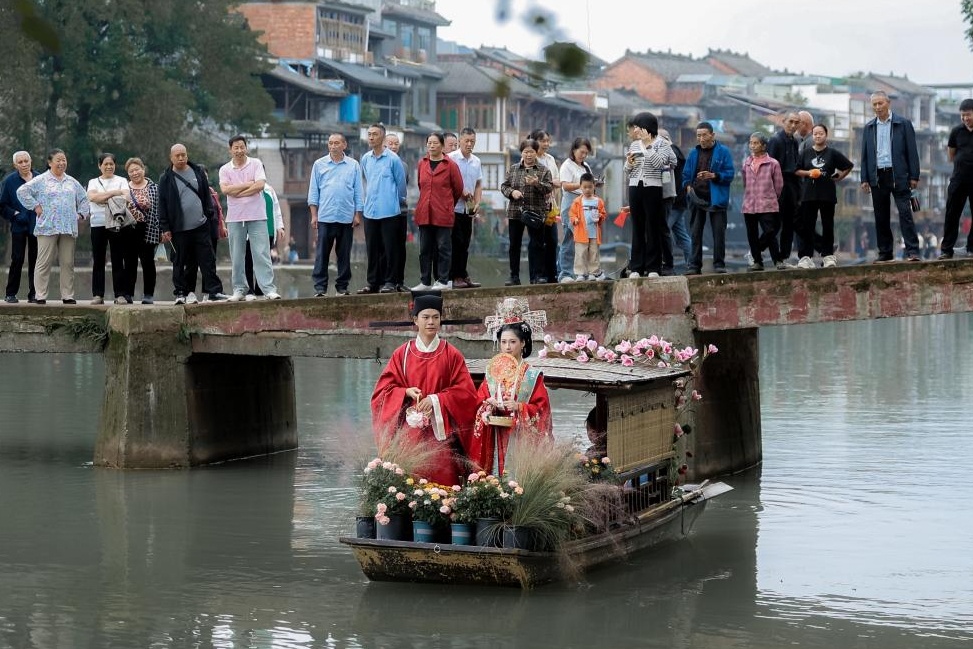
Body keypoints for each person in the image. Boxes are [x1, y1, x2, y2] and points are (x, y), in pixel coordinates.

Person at [371, 292, 478, 486]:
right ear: (415, 320)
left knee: (445, 479)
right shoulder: (402, 354)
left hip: (441, 432)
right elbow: (382, 392)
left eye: (436, 317)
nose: (431, 322)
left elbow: (467, 393)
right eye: (426, 317)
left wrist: (437, 400)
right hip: (410, 430)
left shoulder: (451, 354)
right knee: (408, 478)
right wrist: (405, 392)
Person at [467, 298, 552, 476]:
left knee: (517, 479)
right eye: (503, 342)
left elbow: (541, 410)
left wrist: (519, 407)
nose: (507, 347)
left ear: (523, 343)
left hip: (520, 437)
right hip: (495, 433)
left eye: (512, 342)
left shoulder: (532, 375)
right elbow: (478, 402)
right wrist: (487, 404)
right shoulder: (491, 373)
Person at [16, 148, 90, 305]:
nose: (62, 163)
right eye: (58, 160)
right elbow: (22, 191)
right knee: (43, 262)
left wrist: (81, 214)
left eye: (64, 160)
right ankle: (40, 295)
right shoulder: (41, 180)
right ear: (50, 163)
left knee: (68, 262)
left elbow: (84, 198)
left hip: (68, 227)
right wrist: (35, 206)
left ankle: (68, 295)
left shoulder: (71, 181)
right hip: (47, 226)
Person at [158, 143, 227, 304]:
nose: (181, 158)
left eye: (183, 154)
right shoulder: (166, 178)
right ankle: (182, 292)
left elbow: (205, 196)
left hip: (201, 225)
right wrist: (165, 227)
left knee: (207, 259)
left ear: (187, 155)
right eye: (177, 155)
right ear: (171, 158)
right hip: (178, 228)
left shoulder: (197, 172)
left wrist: (209, 216)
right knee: (180, 261)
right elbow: (162, 204)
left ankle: (214, 291)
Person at [860, 90, 922, 262]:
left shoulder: (903, 124)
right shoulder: (869, 127)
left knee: (905, 213)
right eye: (874, 104)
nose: (878, 107)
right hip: (877, 176)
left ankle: (912, 251)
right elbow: (864, 155)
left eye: (881, 103)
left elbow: (912, 152)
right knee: (881, 216)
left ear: (888, 103)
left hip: (899, 176)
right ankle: (885, 253)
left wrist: (914, 176)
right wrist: (864, 178)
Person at [219, 134, 281, 301]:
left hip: (257, 216)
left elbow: (260, 185)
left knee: (261, 253)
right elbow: (225, 190)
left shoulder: (255, 163)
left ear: (246, 147)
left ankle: (268, 288)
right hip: (235, 217)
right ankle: (240, 289)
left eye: (242, 147)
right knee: (237, 255)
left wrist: (238, 192)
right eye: (236, 147)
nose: (239, 150)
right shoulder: (225, 169)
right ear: (230, 149)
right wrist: (248, 184)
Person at [308, 132, 363, 297]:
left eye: (337, 143)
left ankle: (342, 286)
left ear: (344, 145)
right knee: (322, 254)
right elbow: (313, 192)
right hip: (325, 216)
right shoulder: (319, 164)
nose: (333, 146)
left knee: (344, 254)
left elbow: (358, 193)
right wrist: (314, 215)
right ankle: (320, 287)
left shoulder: (353, 165)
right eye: (330, 143)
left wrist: (357, 214)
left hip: (346, 217)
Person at [624, 112, 676, 279]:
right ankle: (636, 267)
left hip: (653, 187)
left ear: (647, 127)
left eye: (639, 127)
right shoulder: (633, 145)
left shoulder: (663, 144)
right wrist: (628, 163)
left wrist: (647, 146)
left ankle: (654, 266)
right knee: (637, 228)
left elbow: (659, 164)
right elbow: (627, 170)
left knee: (652, 228)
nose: (636, 130)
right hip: (635, 187)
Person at [795, 124, 854, 269]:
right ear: (812, 136)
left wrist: (839, 177)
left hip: (827, 194)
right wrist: (809, 173)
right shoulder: (806, 153)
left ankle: (828, 256)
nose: (817, 136)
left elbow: (848, 166)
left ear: (826, 135)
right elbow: (796, 170)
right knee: (807, 226)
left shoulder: (832, 153)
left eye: (820, 133)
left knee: (828, 225)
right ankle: (805, 257)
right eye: (815, 134)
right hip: (809, 194)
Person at [360, 123, 407, 294]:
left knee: (390, 248)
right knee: (372, 248)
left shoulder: (393, 159)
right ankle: (373, 282)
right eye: (369, 134)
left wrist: (395, 200)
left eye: (375, 134)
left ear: (383, 137)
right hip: (370, 210)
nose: (371, 137)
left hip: (389, 210)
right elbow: (366, 179)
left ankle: (390, 281)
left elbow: (401, 185)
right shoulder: (365, 158)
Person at [412, 133, 463, 291]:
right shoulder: (422, 163)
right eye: (429, 143)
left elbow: (458, 188)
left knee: (443, 248)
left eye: (435, 143)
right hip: (425, 211)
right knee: (425, 249)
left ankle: (443, 280)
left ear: (441, 145)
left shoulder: (450, 165)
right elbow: (422, 186)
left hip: (443, 212)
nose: (431, 146)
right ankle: (425, 281)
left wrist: (446, 204)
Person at [682, 122, 734, 275]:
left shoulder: (723, 152)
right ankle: (694, 265)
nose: (701, 138)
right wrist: (689, 187)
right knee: (695, 232)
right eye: (698, 135)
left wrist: (714, 176)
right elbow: (685, 176)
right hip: (697, 198)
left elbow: (730, 174)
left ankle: (719, 264)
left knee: (719, 233)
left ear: (712, 135)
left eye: (704, 135)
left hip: (716, 198)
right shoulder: (693, 153)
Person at [500, 138, 553, 285]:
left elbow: (549, 188)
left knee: (537, 244)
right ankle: (514, 276)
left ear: (536, 153)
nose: (528, 155)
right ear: (521, 153)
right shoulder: (513, 168)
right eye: (525, 152)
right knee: (514, 244)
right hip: (515, 211)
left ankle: (538, 276)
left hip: (536, 211)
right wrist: (512, 192)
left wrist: (537, 184)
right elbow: (504, 186)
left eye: (531, 152)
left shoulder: (543, 170)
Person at [87, 153, 135, 304]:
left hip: (117, 223)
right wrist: (115, 193)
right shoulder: (93, 182)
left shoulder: (122, 180)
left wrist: (104, 197)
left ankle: (119, 294)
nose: (109, 166)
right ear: (99, 166)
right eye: (105, 164)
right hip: (98, 223)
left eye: (111, 164)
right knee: (99, 260)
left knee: (117, 259)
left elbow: (126, 198)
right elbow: (92, 197)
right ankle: (98, 295)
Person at [741, 132, 784, 272]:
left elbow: (779, 185)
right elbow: (744, 182)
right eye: (751, 143)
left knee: (770, 233)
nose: (752, 146)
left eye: (756, 143)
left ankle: (777, 260)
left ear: (764, 146)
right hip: (749, 205)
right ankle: (757, 262)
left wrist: (769, 197)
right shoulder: (746, 163)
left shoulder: (773, 163)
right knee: (751, 235)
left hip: (767, 204)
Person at [1, 151, 39, 303]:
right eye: (20, 162)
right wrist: (15, 214)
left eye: (26, 161)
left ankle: (35, 294)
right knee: (17, 259)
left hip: (38, 225)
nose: (24, 164)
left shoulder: (40, 178)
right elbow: (1, 205)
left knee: (36, 260)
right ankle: (10, 293)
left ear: (31, 161)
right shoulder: (9, 181)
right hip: (18, 225)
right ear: (15, 165)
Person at [448, 127, 483, 289]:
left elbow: (478, 184)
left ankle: (463, 274)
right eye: (467, 141)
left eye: (472, 142)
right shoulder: (450, 159)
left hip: (467, 209)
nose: (469, 144)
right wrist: (460, 191)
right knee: (455, 242)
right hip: (452, 207)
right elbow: (447, 182)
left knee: (465, 242)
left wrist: (477, 203)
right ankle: (454, 276)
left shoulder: (476, 161)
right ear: (459, 141)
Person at [939, 98, 973, 259]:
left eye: (968, 114)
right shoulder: (956, 131)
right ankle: (947, 250)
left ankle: (971, 248)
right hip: (959, 178)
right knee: (952, 213)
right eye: (962, 115)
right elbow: (951, 154)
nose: (965, 118)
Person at [124, 158, 161, 304]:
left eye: (137, 169)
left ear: (143, 169)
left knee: (148, 262)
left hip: (148, 227)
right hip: (128, 229)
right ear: (128, 174)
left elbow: (160, 210)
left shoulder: (154, 187)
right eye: (131, 171)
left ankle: (148, 294)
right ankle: (128, 294)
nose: (135, 173)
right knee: (129, 262)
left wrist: (162, 229)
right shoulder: (124, 188)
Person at [767, 112, 802, 263]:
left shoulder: (794, 141)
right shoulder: (775, 140)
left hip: (792, 184)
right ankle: (757, 248)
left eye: (796, 122)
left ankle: (784, 256)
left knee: (790, 222)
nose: (793, 125)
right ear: (783, 121)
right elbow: (768, 167)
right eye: (790, 122)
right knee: (775, 222)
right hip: (778, 184)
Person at [557, 137, 593, 283]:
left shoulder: (586, 167)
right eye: (581, 152)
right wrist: (582, 185)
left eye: (586, 153)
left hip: (585, 202)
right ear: (574, 150)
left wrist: (592, 184)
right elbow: (564, 185)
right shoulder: (567, 165)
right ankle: (565, 273)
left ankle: (584, 272)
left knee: (586, 238)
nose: (583, 155)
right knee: (571, 238)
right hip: (571, 202)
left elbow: (588, 184)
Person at [243, 183, 285, 298]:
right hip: (251, 231)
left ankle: (260, 288)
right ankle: (249, 290)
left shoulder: (269, 189)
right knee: (249, 260)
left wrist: (280, 226)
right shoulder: (247, 187)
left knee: (265, 260)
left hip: (268, 230)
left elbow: (276, 209)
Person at [659, 129, 692, 270]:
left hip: (673, 201)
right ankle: (692, 264)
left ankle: (666, 263)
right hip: (679, 201)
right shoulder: (678, 152)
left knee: (663, 231)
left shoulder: (671, 153)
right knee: (682, 236)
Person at [529, 129, 560, 283]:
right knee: (537, 241)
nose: (546, 144)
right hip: (534, 205)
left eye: (548, 141)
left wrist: (550, 184)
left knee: (552, 239)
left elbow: (557, 181)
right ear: (535, 142)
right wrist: (546, 185)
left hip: (550, 205)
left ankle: (551, 274)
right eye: (543, 141)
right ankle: (537, 275)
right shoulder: (530, 160)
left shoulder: (550, 159)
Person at [569, 173, 607, 280]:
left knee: (594, 253)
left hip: (594, 233)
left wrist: (600, 216)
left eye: (590, 187)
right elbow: (572, 214)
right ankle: (580, 273)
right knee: (581, 253)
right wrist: (575, 219)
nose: (587, 190)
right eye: (585, 187)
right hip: (581, 232)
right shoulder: (577, 201)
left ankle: (593, 273)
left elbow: (603, 214)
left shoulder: (598, 201)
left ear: (594, 186)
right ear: (580, 187)